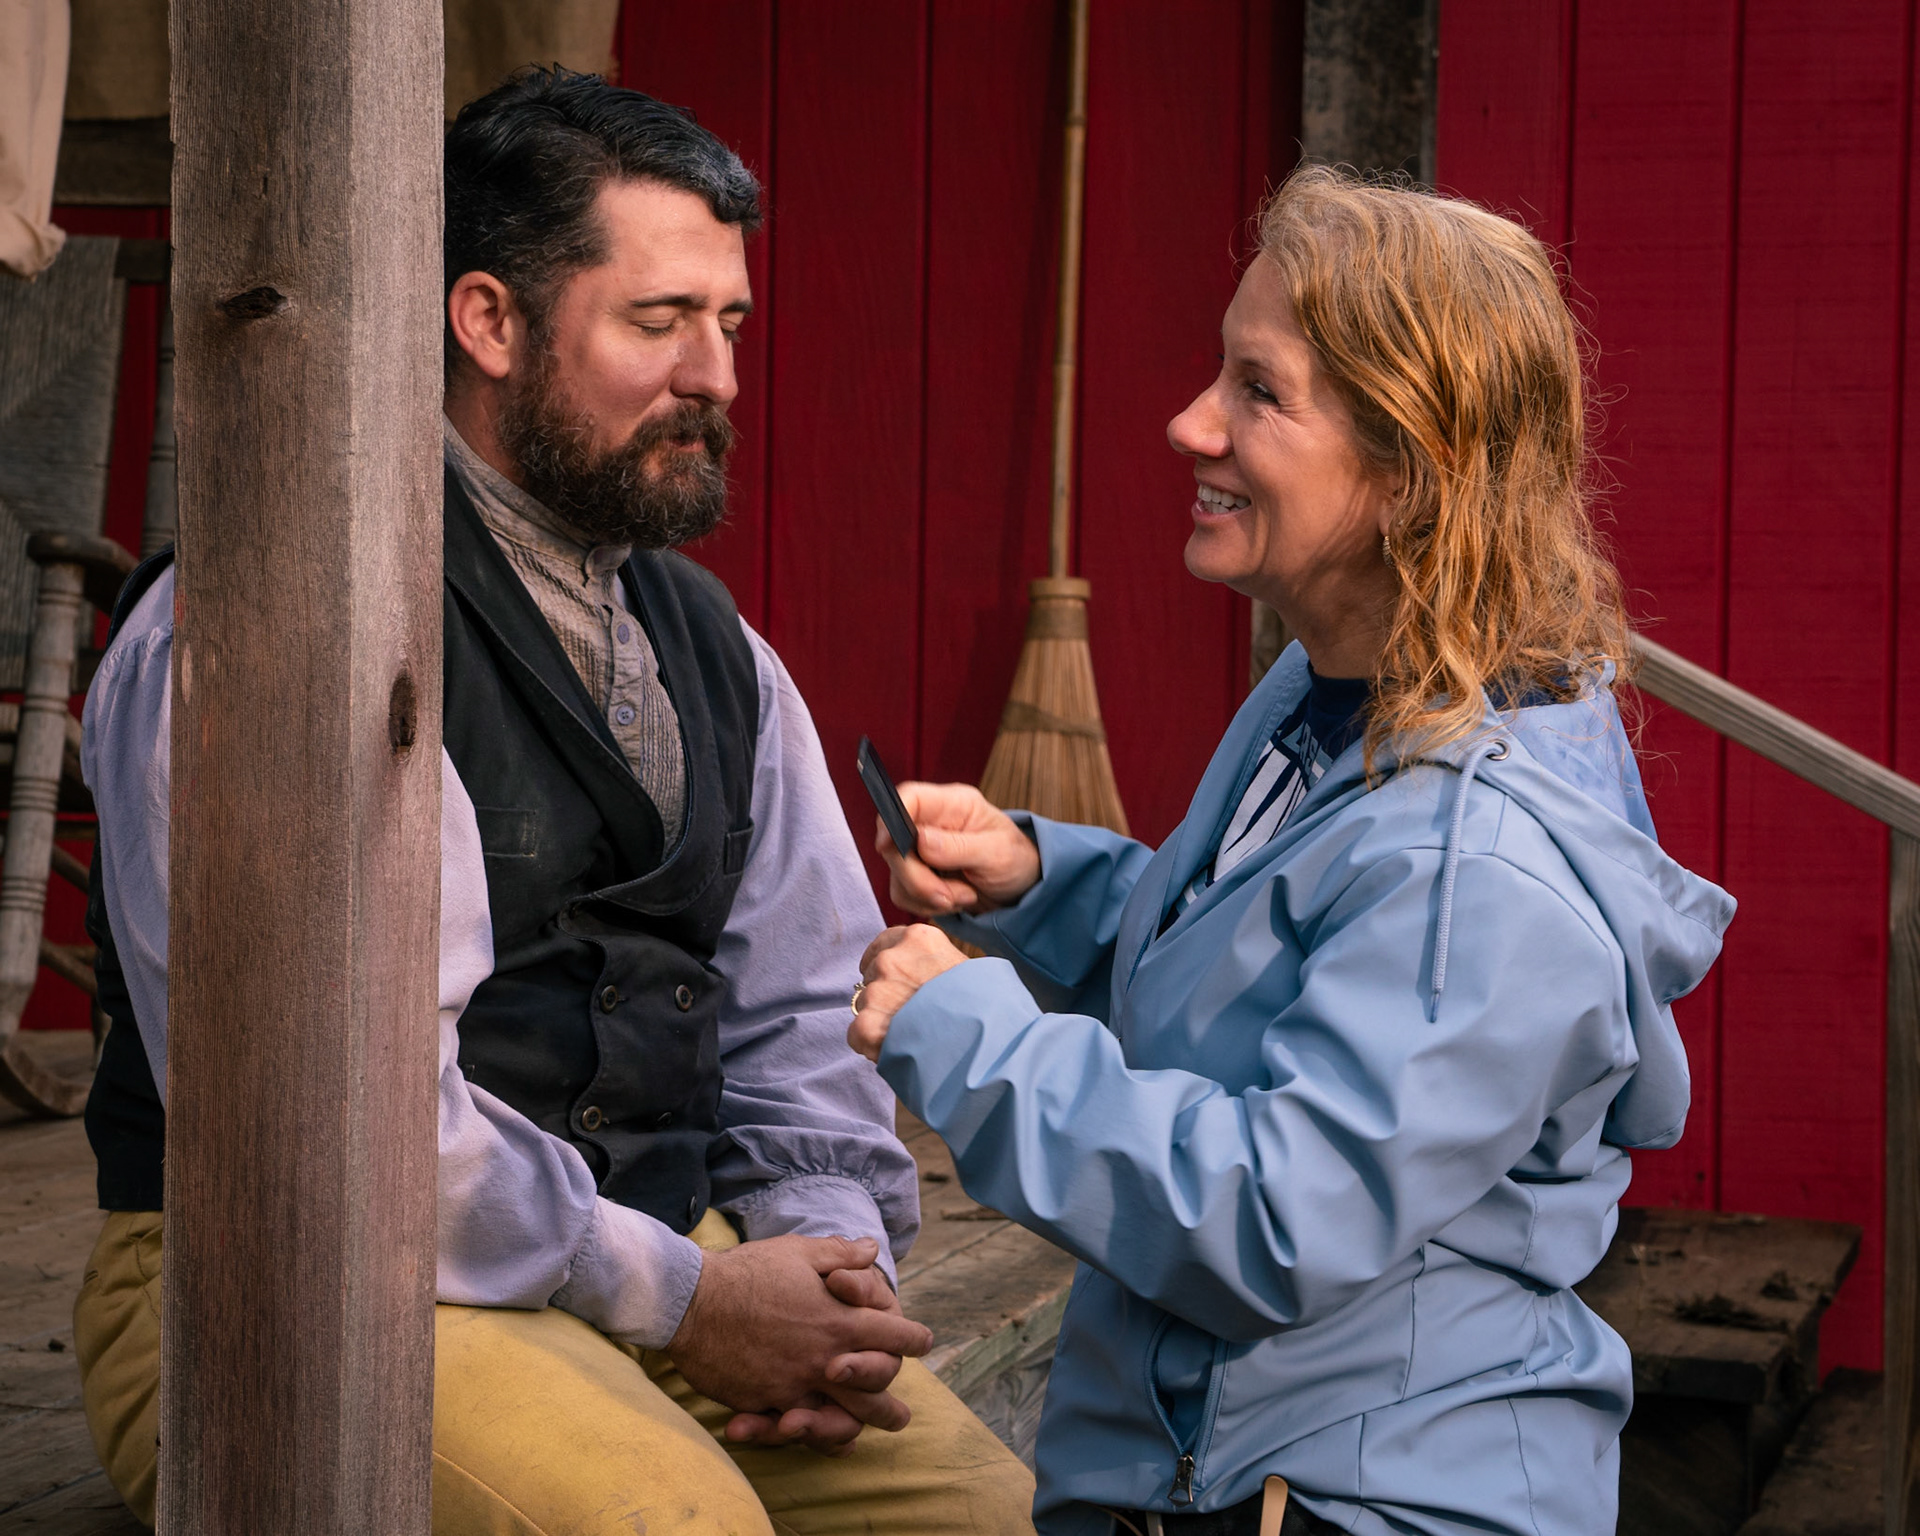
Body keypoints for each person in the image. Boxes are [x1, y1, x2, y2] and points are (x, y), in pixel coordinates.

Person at [72, 68, 1035, 1536]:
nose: (716, 376)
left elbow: (801, 1006)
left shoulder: (717, 650)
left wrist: (824, 1266)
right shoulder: (286, 624)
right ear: (490, 322)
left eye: (730, 324)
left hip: (654, 1252)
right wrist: (691, 1297)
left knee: (990, 1515)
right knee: (673, 1527)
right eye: (659, 321)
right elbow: (348, 1128)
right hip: (292, 1282)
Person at [848, 166, 1735, 1536]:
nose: (1190, 421)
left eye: (1259, 392)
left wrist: (974, 1041)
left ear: (1408, 470)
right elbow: (1267, 963)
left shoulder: (1482, 867)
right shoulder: (1330, 692)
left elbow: (1275, 1220)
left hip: (1342, 1501)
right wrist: (1043, 883)